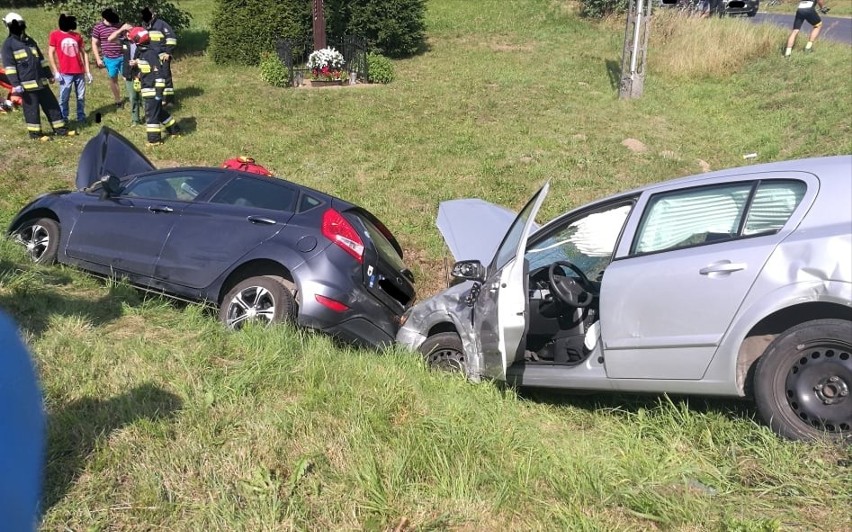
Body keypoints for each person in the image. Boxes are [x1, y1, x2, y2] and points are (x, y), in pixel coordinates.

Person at [2, 12, 74, 139]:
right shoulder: (8, 45)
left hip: (41, 82)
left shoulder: (30, 41)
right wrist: (16, 84)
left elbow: (41, 60)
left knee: (52, 105)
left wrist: (49, 75)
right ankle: (36, 134)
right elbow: (10, 68)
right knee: (32, 109)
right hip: (26, 86)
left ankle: (61, 130)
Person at [128, 26, 180, 145]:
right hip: (148, 89)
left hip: (152, 90)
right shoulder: (145, 53)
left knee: (151, 116)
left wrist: (158, 93)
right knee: (159, 112)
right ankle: (174, 129)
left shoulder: (150, 54)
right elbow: (148, 67)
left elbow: (158, 73)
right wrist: (137, 64)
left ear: (137, 40)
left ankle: (154, 140)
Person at [47, 13, 92, 124]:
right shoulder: (55, 35)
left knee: (80, 96)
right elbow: (50, 53)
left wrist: (88, 71)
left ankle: (81, 117)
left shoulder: (77, 36)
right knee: (64, 97)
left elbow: (84, 53)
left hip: (79, 72)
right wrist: (56, 71)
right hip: (65, 73)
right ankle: (63, 117)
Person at [108, 23, 142, 125]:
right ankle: (135, 119)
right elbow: (110, 39)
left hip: (141, 72)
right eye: (126, 32)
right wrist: (121, 29)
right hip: (129, 74)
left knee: (144, 97)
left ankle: (151, 117)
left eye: (130, 31)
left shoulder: (142, 42)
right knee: (133, 97)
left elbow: (149, 56)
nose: (128, 34)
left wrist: (138, 61)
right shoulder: (125, 42)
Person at [141, 7, 176, 105]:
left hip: (163, 56)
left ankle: (169, 100)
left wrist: (168, 52)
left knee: (166, 77)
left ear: (153, 14)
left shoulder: (161, 24)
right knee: (154, 78)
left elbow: (172, 38)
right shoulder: (144, 25)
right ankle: (158, 99)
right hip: (151, 57)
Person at [91, 8, 124, 109]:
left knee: (129, 77)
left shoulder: (119, 25)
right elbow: (94, 43)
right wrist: (98, 59)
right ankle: (118, 100)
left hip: (123, 56)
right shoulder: (98, 27)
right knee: (113, 79)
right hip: (110, 58)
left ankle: (135, 98)